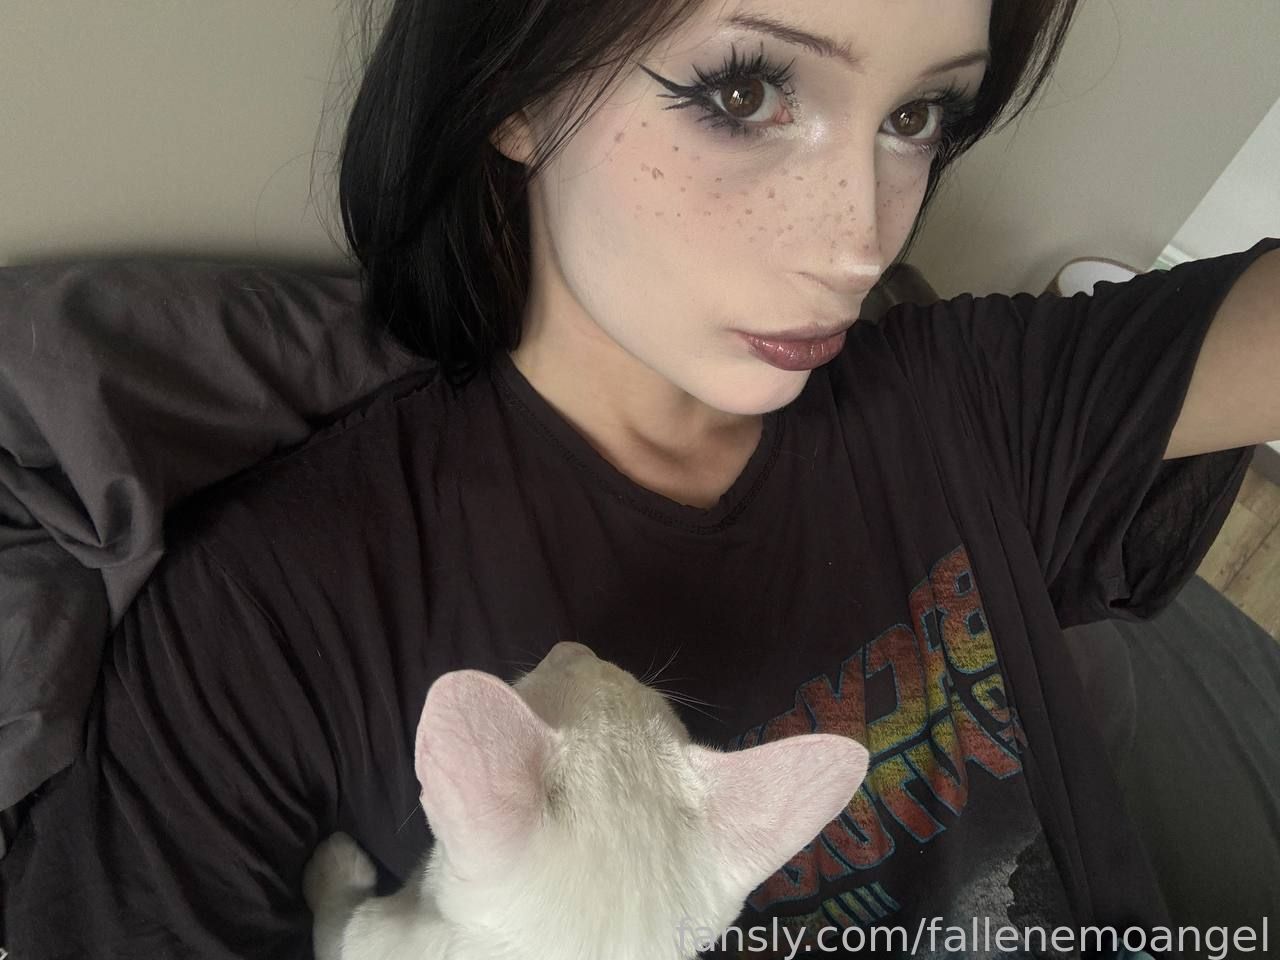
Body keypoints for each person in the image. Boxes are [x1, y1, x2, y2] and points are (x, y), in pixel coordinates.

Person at [2, 0, 1278, 956]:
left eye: (915, 116)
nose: (860, 239)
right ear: (515, 84)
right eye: (744, 90)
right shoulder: (273, 616)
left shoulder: (975, 398)